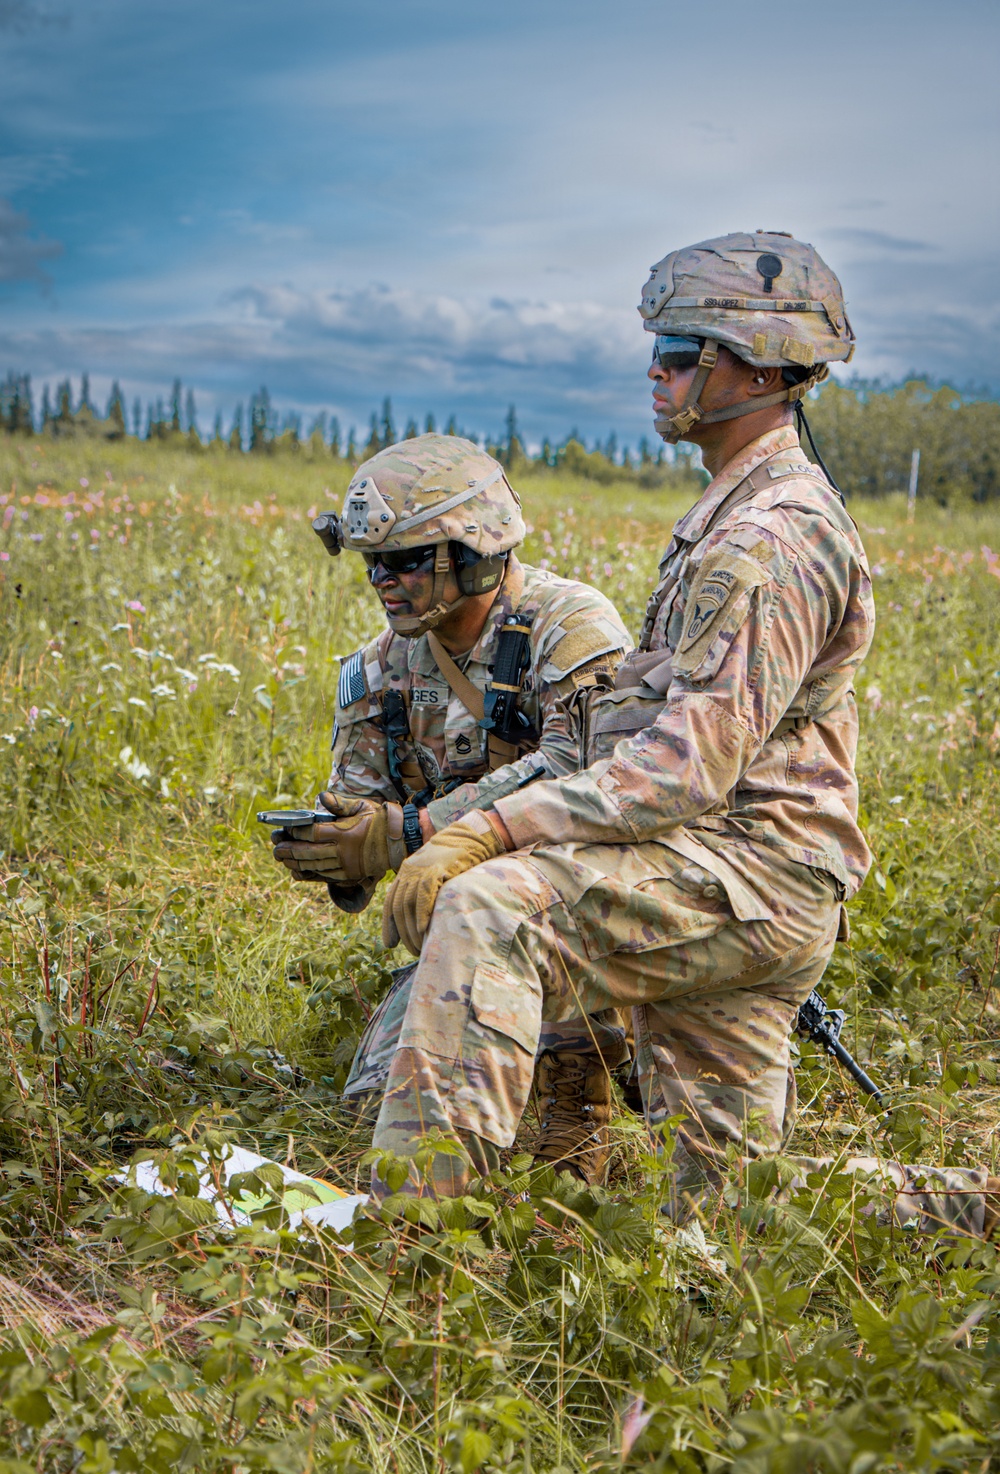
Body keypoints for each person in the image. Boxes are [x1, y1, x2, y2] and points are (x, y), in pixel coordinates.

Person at [369, 232, 1000, 1239]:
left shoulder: (767, 536)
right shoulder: (733, 513)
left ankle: (408, 1259)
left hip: (748, 871)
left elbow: (683, 766)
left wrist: (490, 834)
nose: (653, 374)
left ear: (750, 368)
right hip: (748, 872)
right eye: (657, 352)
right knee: (731, 1212)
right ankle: (974, 1210)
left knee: (494, 912)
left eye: (676, 353)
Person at [271, 433, 632, 1181]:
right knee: (383, 1110)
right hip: (465, 922)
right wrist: (339, 851)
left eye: (405, 560)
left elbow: (587, 773)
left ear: (475, 555)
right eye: (373, 562)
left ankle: (583, 1083)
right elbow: (364, 812)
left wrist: (413, 832)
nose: (383, 582)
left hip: (588, 905)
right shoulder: (379, 671)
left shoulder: (569, 628)